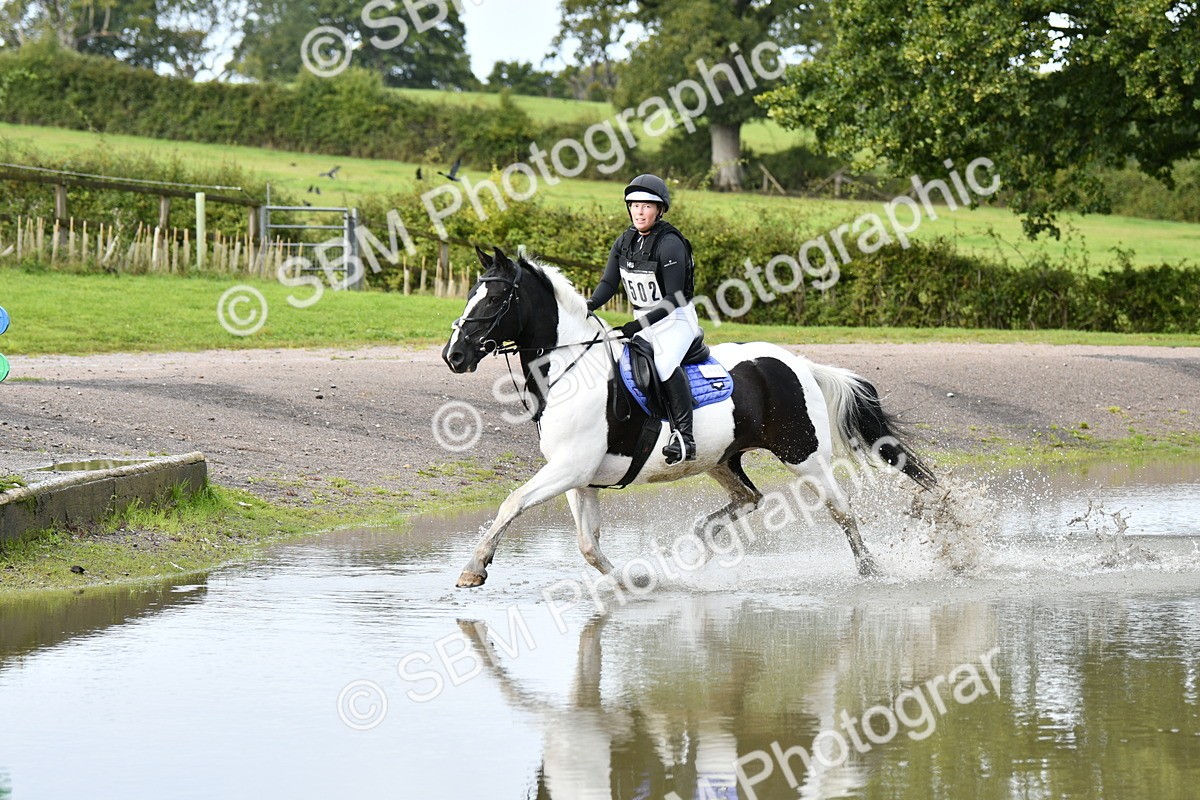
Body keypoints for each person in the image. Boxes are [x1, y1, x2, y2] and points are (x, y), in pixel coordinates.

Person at [586, 174, 701, 464]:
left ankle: (685, 437)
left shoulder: (670, 243)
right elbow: (608, 284)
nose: (639, 211)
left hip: (676, 321)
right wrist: (587, 306)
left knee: (663, 364)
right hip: (644, 322)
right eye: (635, 205)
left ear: (659, 210)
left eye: (647, 206)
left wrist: (637, 326)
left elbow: (673, 298)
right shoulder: (625, 241)